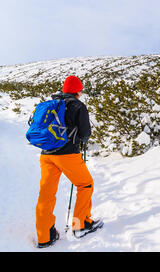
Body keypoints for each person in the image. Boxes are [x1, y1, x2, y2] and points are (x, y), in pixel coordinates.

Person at [36, 75, 102, 248]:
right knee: (85, 184)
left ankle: (44, 236)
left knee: (46, 194)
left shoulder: (52, 104)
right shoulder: (78, 106)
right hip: (67, 155)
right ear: (77, 91)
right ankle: (81, 225)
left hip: (46, 155)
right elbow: (85, 133)